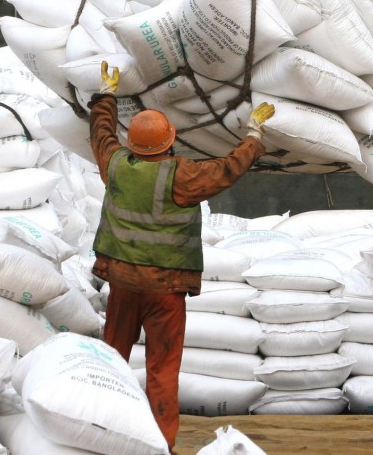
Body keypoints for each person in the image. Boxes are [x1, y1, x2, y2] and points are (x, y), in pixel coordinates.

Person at [88, 61, 274, 455]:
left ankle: (101, 434)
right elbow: (227, 170)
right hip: (165, 292)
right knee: (161, 370)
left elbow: (101, 133)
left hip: (122, 284)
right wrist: (254, 135)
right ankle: (160, 446)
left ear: (134, 144)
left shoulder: (116, 164)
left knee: (111, 362)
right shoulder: (182, 176)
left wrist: (106, 94)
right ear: (169, 142)